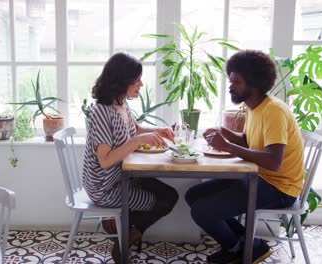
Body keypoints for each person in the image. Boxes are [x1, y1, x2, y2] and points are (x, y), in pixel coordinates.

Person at [185, 50, 304, 264]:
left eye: (236, 82)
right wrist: (224, 132)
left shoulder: (273, 111)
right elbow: (250, 141)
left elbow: (273, 162)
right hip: (257, 177)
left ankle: (238, 248)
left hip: (279, 187)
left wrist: (228, 146)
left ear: (254, 84)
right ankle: (247, 244)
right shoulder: (253, 106)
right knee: (193, 195)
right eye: (231, 80)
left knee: (201, 211)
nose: (230, 86)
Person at [83, 52, 179, 263]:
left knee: (170, 195)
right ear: (121, 81)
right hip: (104, 187)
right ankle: (125, 238)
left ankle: (120, 226)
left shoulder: (121, 102)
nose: (141, 84)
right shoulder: (102, 111)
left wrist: (160, 131)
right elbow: (105, 160)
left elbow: (135, 130)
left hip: (123, 177)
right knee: (162, 202)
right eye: (136, 80)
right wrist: (135, 142)